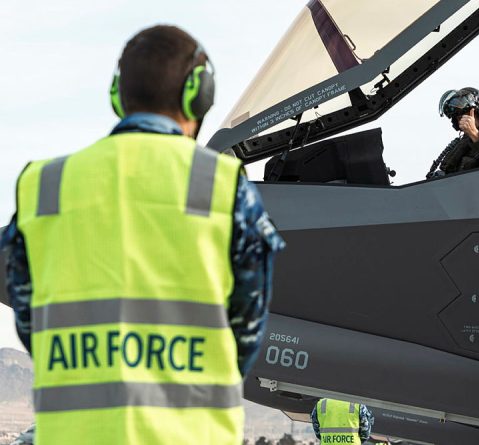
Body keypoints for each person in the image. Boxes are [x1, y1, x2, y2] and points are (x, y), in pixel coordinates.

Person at [0, 25, 284, 444]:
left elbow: (26, 314)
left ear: (118, 94)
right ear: (198, 96)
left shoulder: (45, 185)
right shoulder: (222, 187)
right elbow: (247, 325)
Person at [427, 87, 479, 177]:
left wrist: (475, 134)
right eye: (459, 117)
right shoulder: (463, 142)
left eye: (467, 114)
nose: (463, 120)